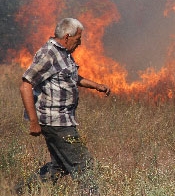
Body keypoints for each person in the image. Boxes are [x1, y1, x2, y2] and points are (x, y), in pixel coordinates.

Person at [17, 18, 110, 195]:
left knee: (59, 166)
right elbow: (25, 85)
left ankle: (20, 191)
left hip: (63, 119)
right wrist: (33, 122)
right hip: (56, 122)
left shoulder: (64, 53)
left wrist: (96, 85)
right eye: (78, 39)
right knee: (84, 165)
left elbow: (71, 77)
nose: (80, 43)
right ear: (67, 37)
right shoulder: (49, 53)